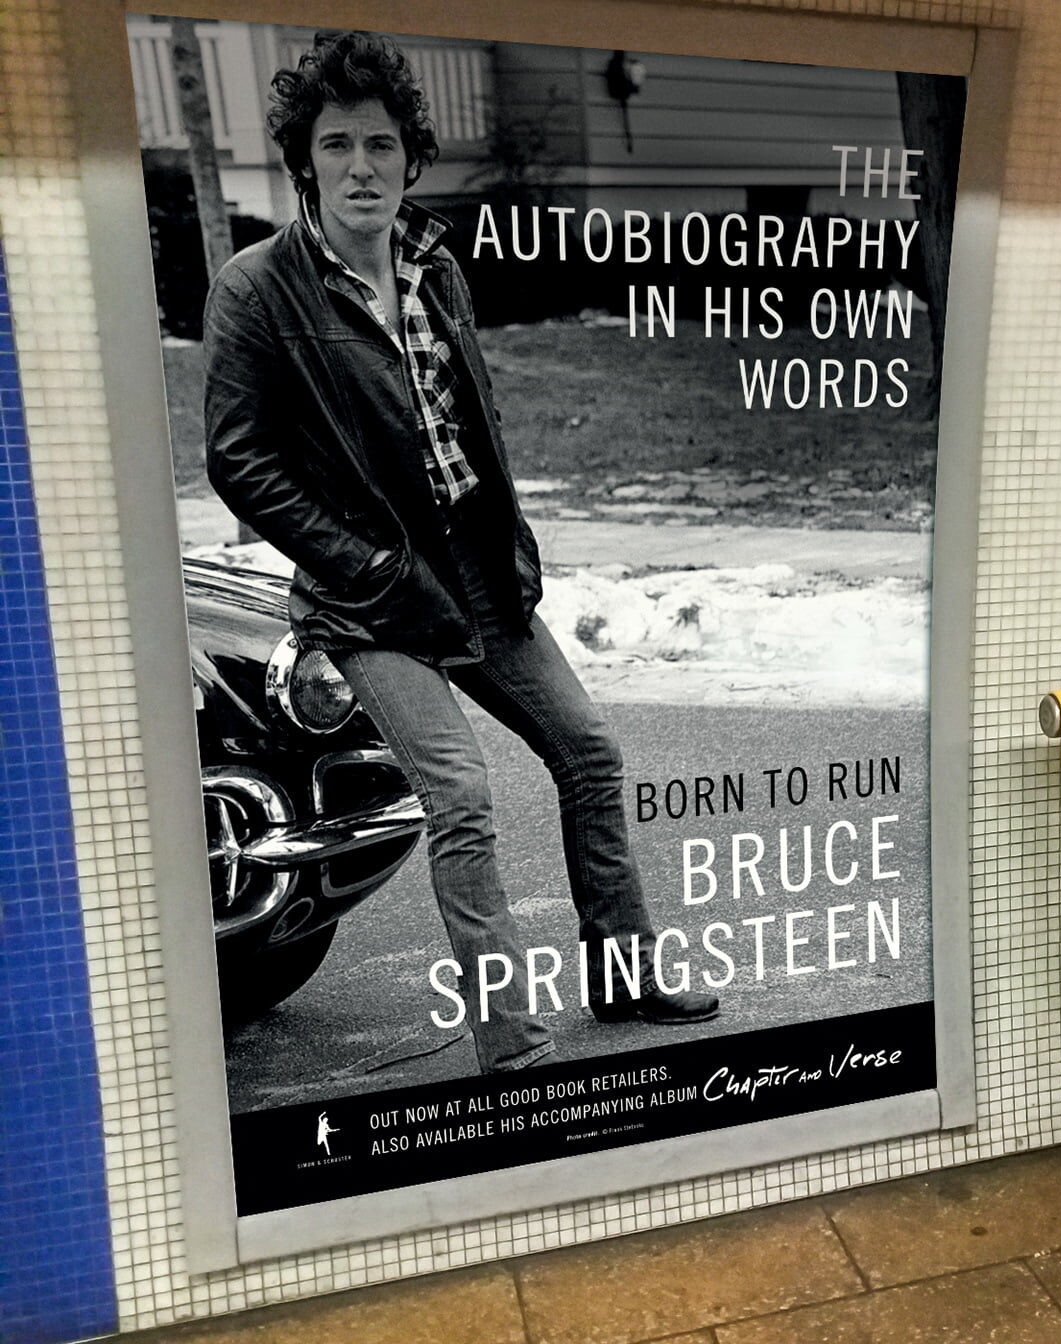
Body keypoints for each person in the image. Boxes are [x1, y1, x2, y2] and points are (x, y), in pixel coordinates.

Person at [202, 30, 717, 1073]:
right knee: (462, 800)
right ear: (304, 159)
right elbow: (237, 460)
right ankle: (510, 1038)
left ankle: (626, 976)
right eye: (337, 144)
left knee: (590, 752)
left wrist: (512, 544)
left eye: (381, 145)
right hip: (371, 597)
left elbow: (469, 423)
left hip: (482, 578)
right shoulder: (258, 289)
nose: (361, 166)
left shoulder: (435, 267)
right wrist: (364, 565)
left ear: (408, 157)